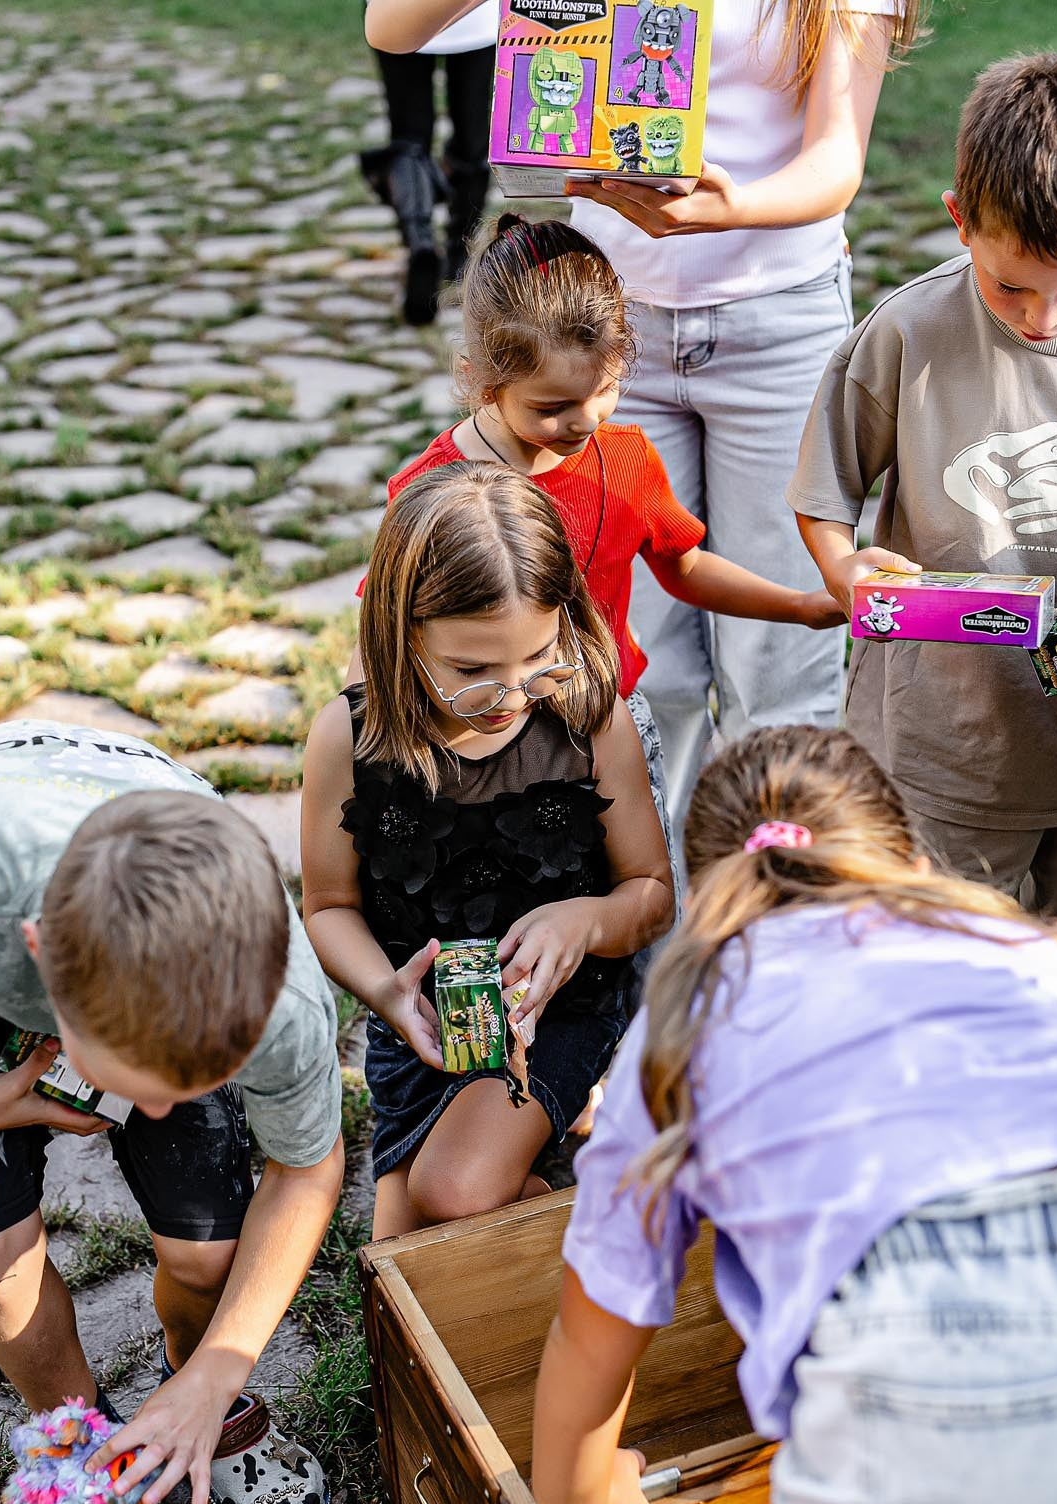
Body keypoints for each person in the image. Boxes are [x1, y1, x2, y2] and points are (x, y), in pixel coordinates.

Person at [532, 722, 1057, 1504]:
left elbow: (594, 1320)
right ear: (908, 859)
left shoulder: (687, 1016)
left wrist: (580, 1488)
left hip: (934, 1405)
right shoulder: (1020, 951)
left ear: (711, 902)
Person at [364, 2, 921, 835]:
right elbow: (392, 28)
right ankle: (658, 895)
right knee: (638, 670)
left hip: (776, 322)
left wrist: (729, 208)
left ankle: (769, 893)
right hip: (601, 335)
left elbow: (834, 159)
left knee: (777, 678)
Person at [0, 721, 343, 1504]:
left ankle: (192, 1393)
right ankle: (79, 1441)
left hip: (145, 900)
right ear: (38, 962)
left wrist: (221, 1365)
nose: (150, 1112)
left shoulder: (279, 998)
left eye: (190, 1082)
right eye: (137, 1083)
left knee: (211, 1256)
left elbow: (307, 1170)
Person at [371, 213, 845, 888]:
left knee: (634, 894)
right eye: (551, 406)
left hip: (604, 731)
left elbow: (683, 567)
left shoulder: (626, 459)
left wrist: (796, 605)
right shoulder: (429, 489)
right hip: (477, 742)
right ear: (480, 381)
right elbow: (384, 629)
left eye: (604, 391)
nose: (585, 420)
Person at [302, 461, 674, 1240]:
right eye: (472, 670)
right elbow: (328, 906)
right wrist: (387, 995)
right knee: (405, 1252)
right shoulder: (350, 736)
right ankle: (561, 1196)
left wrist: (583, 921)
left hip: (557, 1009)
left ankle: (630, 1230)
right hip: (421, 1021)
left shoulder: (586, 720)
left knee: (454, 1193)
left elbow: (650, 894)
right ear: (402, 632)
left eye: (538, 657)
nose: (510, 694)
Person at [791, 51, 1057, 912]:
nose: (1042, 318)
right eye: (1010, 286)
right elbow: (823, 490)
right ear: (958, 219)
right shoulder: (907, 331)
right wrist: (841, 568)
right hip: (949, 748)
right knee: (943, 952)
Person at [360, 0, 497, 325]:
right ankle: (461, 256)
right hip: (478, 16)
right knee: (472, 141)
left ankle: (420, 243)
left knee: (409, 140)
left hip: (396, 11)